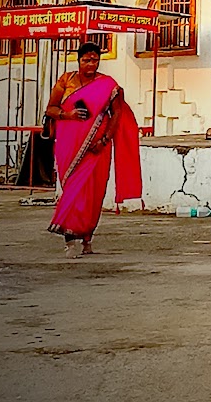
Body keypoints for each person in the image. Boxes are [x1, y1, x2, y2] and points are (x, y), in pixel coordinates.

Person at [45, 41, 142, 259]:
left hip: (97, 146)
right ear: (78, 60)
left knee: (94, 192)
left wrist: (105, 139)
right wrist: (67, 115)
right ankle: (69, 239)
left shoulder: (108, 84)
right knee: (72, 189)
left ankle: (87, 237)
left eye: (95, 60)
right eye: (86, 60)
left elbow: (117, 114)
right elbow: (50, 108)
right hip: (68, 144)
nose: (90, 64)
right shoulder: (66, 81)